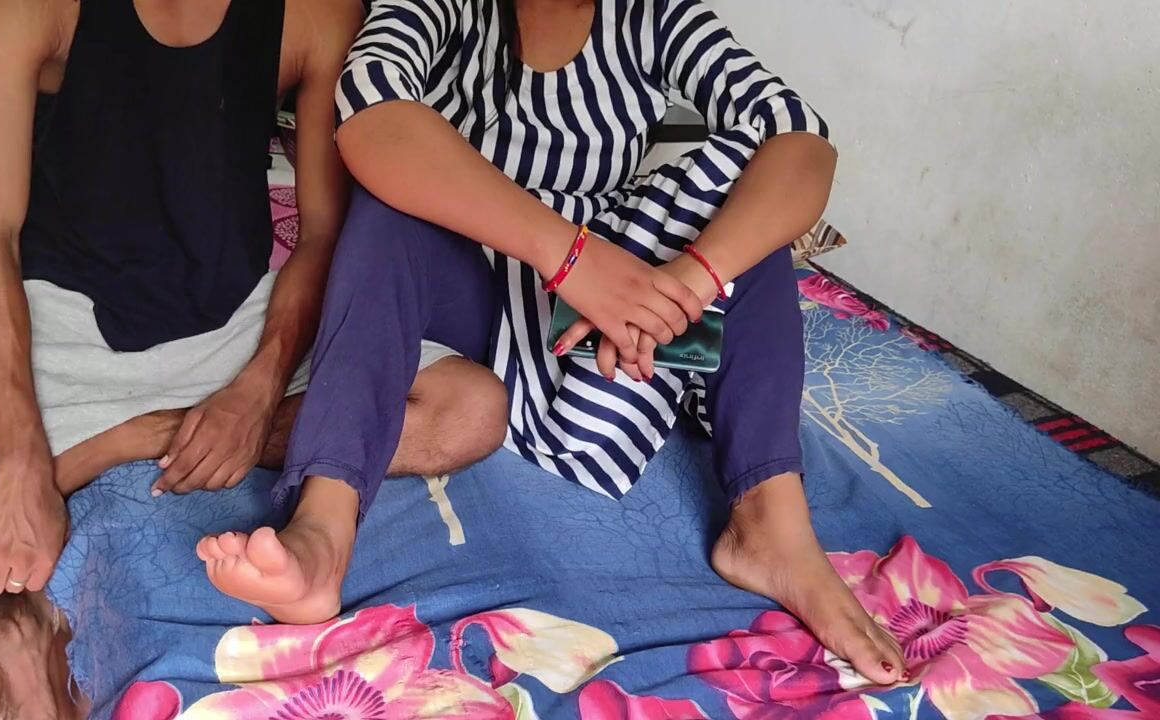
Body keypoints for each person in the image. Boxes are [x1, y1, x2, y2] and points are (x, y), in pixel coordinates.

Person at [196, 0, 912, 686]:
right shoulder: (442, 7)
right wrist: (573, 260)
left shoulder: (654, 16)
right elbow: (370, 115)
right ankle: (324, 526)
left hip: (614, 326)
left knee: (756, 201)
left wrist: (684, 285)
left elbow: (801, 139)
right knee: (387, 205)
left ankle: (769, 524)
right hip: (481, 298)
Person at [0, 0, 507, 665]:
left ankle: (117, 448)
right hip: (56, 340)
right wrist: (20, 464)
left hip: (234, 330)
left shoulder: (318, 12)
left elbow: (323, 234)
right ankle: (130, 446)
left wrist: (259, 389)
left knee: (467, 410)